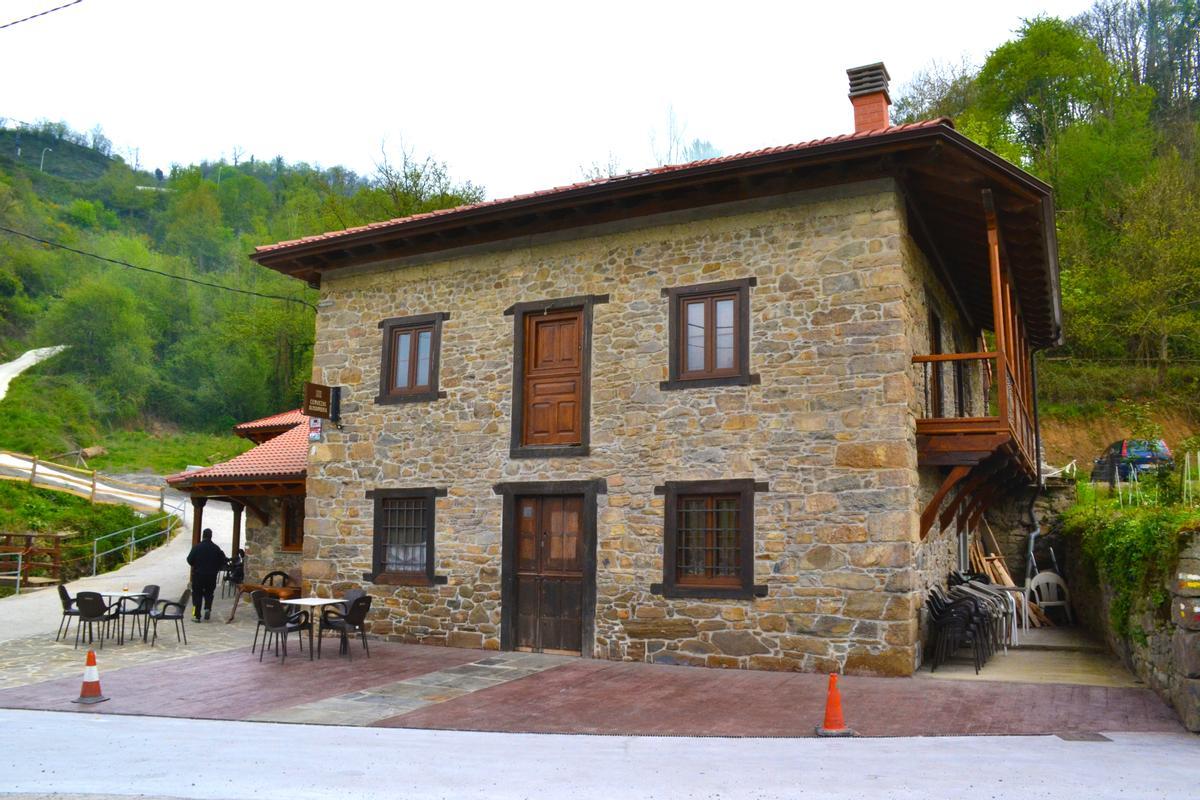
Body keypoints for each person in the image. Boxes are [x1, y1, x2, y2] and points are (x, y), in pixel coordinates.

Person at [186, 528, 228, 622]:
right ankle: (207, 608)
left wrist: (196, 565)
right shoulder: (216, 548)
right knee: (209, 593)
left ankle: (197, 616)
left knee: (197, 594)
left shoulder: (197, 547)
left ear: (203, 536)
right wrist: (216, 568)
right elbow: (223, 560)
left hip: (199, 575)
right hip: (211, 576)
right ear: (211, 536)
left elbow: (189, 560)